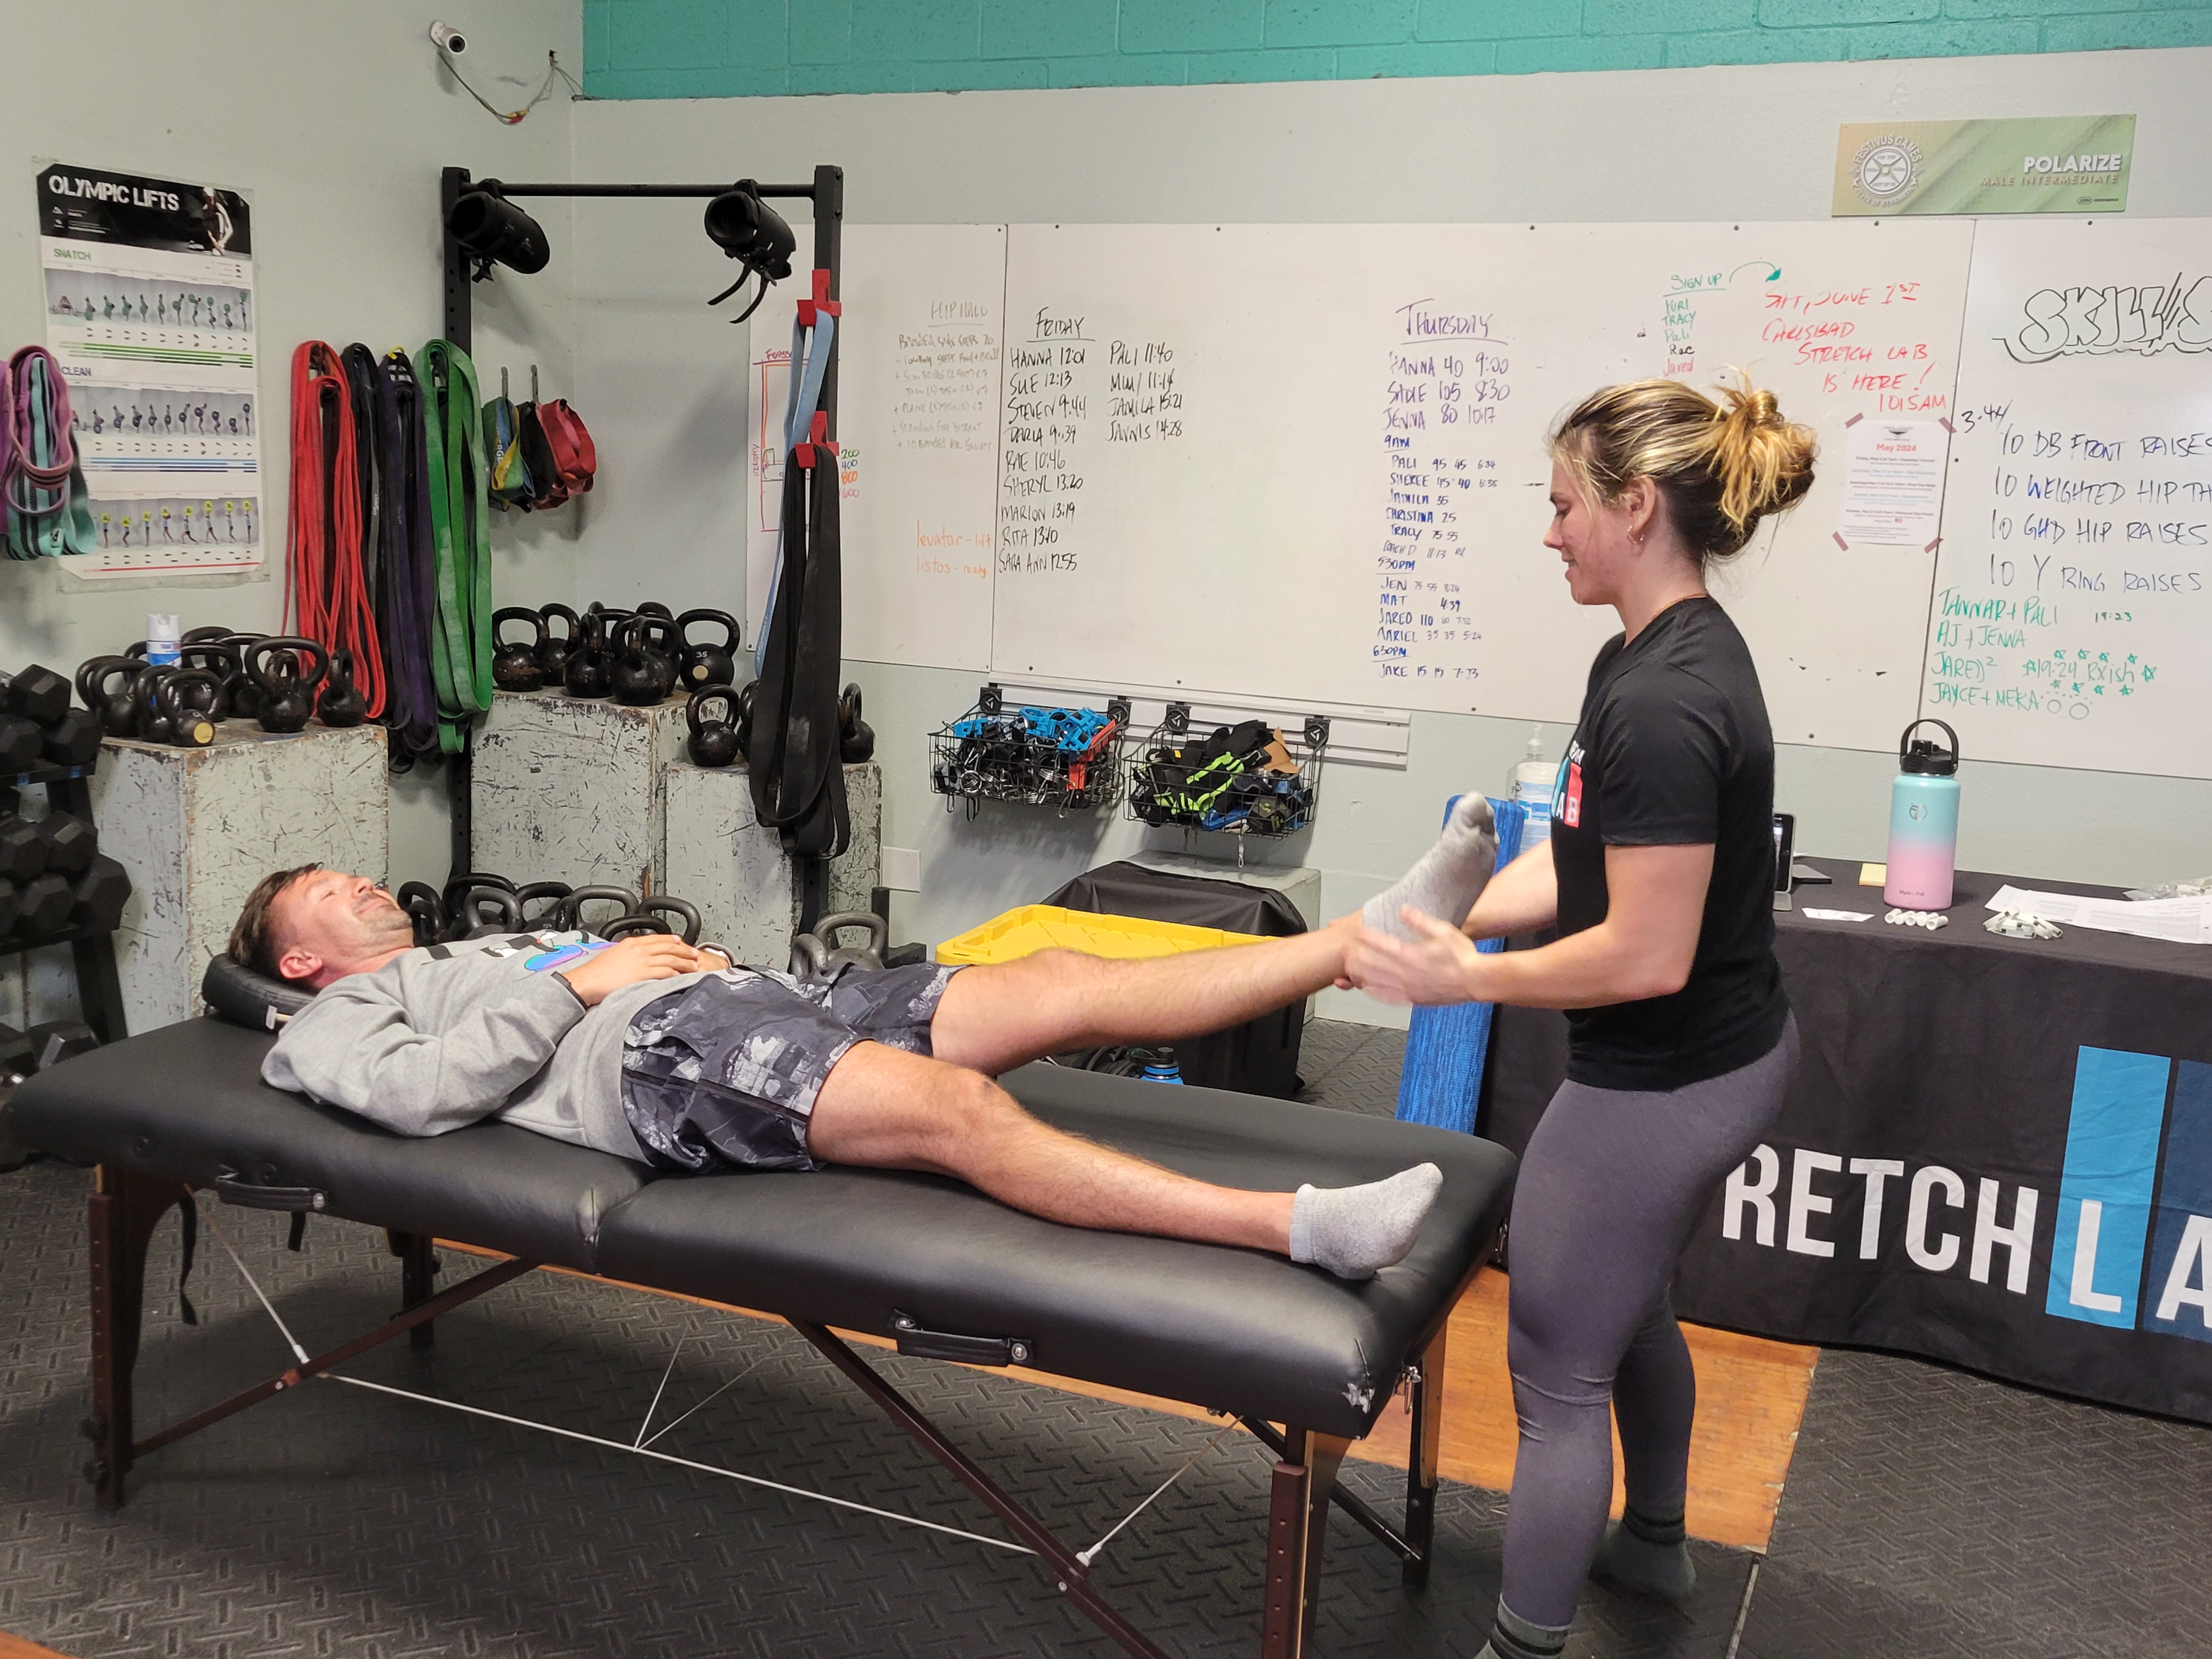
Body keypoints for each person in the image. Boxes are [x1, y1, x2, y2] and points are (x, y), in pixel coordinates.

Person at [1345, 376, 1816, 1659]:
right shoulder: (1640, 660)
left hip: (1670, 1079)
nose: (1550, 533)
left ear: (1638, 505)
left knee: (1557, 1372)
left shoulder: (1665, 701)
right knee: (1629, 1301)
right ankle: (1652, 1545)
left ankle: (1524, 1644)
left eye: (1565, 507)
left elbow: (1645, 953)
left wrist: (1465, 978)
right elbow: (1578, 869)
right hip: (1713, 1054)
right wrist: (1431, 928)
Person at [228, 864, 1494, 1282]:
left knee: (1056, 976)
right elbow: (423, 1095)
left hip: (736, 997)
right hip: (664, 1063)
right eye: (327, 889)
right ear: (297, 955)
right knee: (959, 1110)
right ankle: (1297, 1231)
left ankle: (1359, 942)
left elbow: (585, 978)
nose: (361, 881)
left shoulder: (468, 944)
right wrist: (583, 983)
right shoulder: (328, 1018)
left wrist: (663, 958)